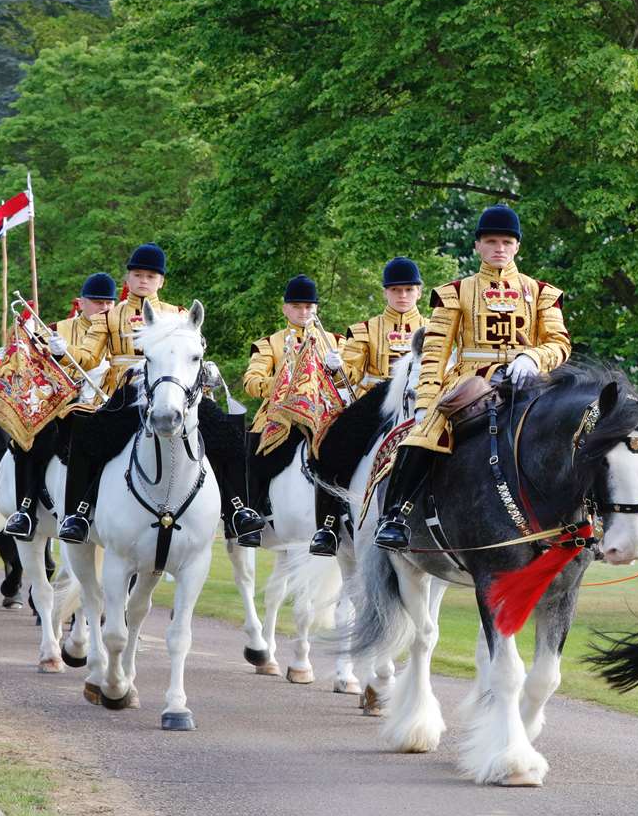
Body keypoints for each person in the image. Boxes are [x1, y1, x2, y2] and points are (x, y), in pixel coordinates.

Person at [376, 206, 571, 551]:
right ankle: (396, 515)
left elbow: (559, 343)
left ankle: (587, 516)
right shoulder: (454, 293)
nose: (499, 248)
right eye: (491, 241)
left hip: (528, 379)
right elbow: (435, 353)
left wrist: (533, 356)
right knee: (424, 434)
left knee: (575, 427)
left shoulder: (541, 293)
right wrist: (425, 404)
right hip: (470, 382)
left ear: (517, 247)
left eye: (506, 241)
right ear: (478, 246)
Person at [51, 244, 265, 545]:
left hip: (172, 391)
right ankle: (79, 513)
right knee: (86, 436)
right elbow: (87, 356)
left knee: (227, 432)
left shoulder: (178, 315)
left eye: (150, 276)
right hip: (126, 390)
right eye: (137, 275)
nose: (143, 281)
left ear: (161, 281)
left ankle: (239, 509)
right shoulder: (108, 317)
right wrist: (64, 352)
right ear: (127, 278)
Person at [310, 257, 423, 555]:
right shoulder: (363, 330)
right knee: (331, 443)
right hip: (375, 403)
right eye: (396, 290)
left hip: (420, 402)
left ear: (419, 292)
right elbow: (349, 372)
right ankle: (328, 525)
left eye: (409, 290)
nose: (402, 296)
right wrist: (336, 366)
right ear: (385, 292)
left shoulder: (434, 328)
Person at [2, 272, 119, 540]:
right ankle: (25, 509)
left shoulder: (121, 331)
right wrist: (33, 338)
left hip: (109, 405)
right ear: (80, 303)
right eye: (96, 302)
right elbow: (32, 363)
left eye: (108, 303)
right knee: (34, 440)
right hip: (65, 405)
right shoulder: (57, 329)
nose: (103, 307)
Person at [241, 275, 346, 550]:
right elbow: (250, 381)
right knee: (255, 452)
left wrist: (337, 368)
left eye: (309, 307)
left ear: (316, 309)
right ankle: (251, 515)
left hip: (322, 417)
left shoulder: (334, 342)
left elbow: (349, 381)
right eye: (297, 307)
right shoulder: (269, 344)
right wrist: (278, 383)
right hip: (280, 415)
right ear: (285, 308)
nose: (304, 312)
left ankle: (335, 521)